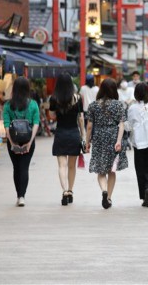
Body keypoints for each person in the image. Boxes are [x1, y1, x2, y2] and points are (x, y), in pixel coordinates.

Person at [85, 78, 128, 209]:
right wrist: (119, 141)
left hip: (98, 137)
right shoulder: (119, 105)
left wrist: (87, 142)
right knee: (112, 170)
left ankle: (104, 190)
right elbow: (121, 125)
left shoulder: (93, 105)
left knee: (101, 169)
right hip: (113, 136)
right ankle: (108, 197)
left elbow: (89, 126)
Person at [3, 77, 40, 207]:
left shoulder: (8, 105)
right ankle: (22, 196)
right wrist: (30, 141)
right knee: (24, 167)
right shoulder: (33, 104)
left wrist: (12, 143)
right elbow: (36, 123)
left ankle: (18, 195)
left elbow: (7, 126)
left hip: (13, 140)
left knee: (16, 167)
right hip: (28, 139)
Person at [49, 73, 85, 206]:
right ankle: (70, 190)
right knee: (71, 166)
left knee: (61, 166)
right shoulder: (77, 98)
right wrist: (83, 136)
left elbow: (52, 116)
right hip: (74, 134)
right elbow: (81, 118)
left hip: (60, 134)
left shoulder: (54, 98)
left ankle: (64, 191)